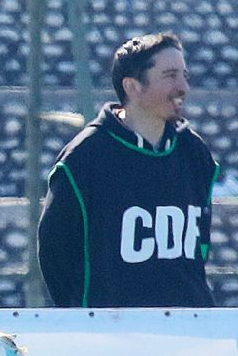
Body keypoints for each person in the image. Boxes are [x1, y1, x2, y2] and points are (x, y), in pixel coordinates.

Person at [39, 32, 220, 308]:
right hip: (111, 328)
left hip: (188, 326)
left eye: (184, 75)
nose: (183, 87)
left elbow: (199, 246)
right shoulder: (85, 158)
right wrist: (86, 316)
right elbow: (55, 254)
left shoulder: (194, 153)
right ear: (133, 86)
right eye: (170, 76)